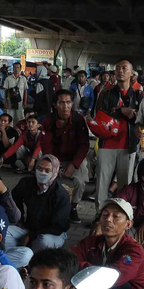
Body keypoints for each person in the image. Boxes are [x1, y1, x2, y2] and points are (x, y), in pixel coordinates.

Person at [71, 198, 144, 289]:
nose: (108, 219)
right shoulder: (91, 242)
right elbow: (68, 259)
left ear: (128, 224)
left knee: (112, 286)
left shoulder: (134, 250)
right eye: (105, 215)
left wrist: (83, 269)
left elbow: (112, 276)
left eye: (116, 216)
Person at [93, 59, 144, 213]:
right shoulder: (106, 93)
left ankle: (121, 215)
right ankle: (99, 214)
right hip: (107, 145)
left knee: (125, 185)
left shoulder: (139, 95)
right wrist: (120, 111)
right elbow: (99, 115)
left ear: (132, 73)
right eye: (117, 68)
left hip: (128, 146)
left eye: (124, 68)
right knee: (102, 183)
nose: (120, 71)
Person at [40, 89, 90, 223]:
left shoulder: (78, 119)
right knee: (43, 176)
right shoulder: (49, 120)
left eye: (68, 102)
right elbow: (46, 145)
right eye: (61, 103)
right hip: (55, 158)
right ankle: (47, 206)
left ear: (72, 104)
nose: (65, 106)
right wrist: (54, 164)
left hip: (74, 159)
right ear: (55, 105)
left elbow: (84, 145)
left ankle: (73, 207)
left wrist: (74, 164)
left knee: (81, 180)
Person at [7, 154, 71, 252]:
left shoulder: (60, 195)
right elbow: (14, 199)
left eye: (47, 170)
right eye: (39, 168)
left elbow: (58, 226)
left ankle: (33, 262)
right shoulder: (26, 183)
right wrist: (20, 219)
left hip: (53, 233)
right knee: (5, 232)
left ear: (55, 172)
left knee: (43, 242)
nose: (42, 172)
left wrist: (32, 235)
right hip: (29, 228)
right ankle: (16, 259)